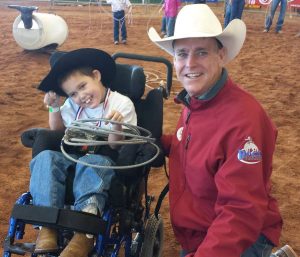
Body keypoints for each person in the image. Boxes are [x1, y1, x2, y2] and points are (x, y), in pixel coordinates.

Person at [148, 4, 284, 257]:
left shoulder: (245, 121)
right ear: (174, 59)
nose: (190, 63)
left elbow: (241, 210)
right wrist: (157, 143)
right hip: (201, 231)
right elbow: (195, 147)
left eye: (201, 52)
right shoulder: (196, 99)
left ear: (220, 55)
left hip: (236, 239)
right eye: (182, 54)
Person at [30, 48, 137, 257]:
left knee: (93, 163)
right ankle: (47, 227)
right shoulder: (71, 105)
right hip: (72, 154)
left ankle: (83, 233)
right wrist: (55, 108)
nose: (81, 96)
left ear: (96, 76)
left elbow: (117, 146)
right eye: (73, 93)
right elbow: (58, 133)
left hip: (103, 157)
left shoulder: (121, 104)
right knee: (45, 157)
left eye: (82, 86)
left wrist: (116, 126)